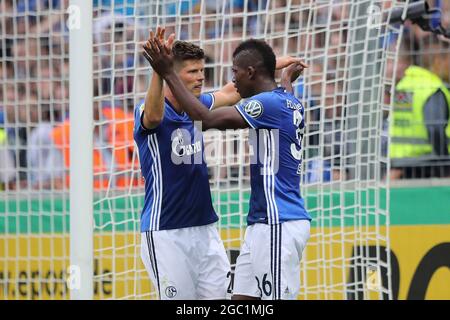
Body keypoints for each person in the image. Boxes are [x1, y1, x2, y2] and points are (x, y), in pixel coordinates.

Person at [136, 28, 303, 300]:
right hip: (166, 231)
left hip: (205, 230)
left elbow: (229, 94)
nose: (201, 77)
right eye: (192, 72)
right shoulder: (150, 110)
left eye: (202, 70)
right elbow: (153, 117)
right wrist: (159, 70)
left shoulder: (198, 104)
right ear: (173, 75)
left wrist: (269, 65)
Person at [389, 45, 450, 179]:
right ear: (438, 60)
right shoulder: (432, 88)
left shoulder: (406, 84)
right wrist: (446, 166)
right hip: (429, 165)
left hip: (400, 163)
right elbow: (434, 129)